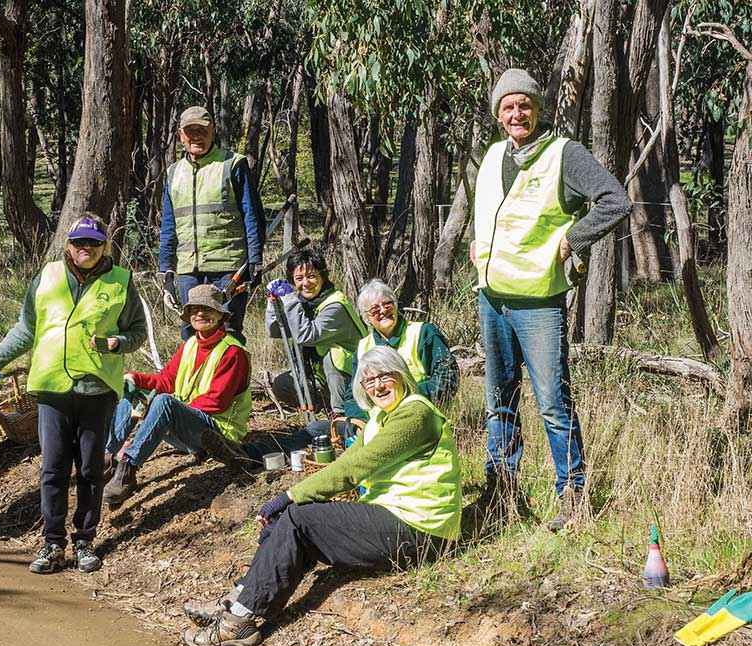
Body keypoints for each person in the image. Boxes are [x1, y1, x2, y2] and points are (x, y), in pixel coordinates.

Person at [180, 347, 462, 646]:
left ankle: (238, 620)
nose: (378, 386)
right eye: (369, 381)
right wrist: (291, 498)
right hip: (397, 519)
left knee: (299, 518)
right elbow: (344, 464)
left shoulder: (415, 412)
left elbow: (356, 468)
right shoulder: (382, 416)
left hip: (422, 530)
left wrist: (290, 496)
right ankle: (238, 599)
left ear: (401, 376)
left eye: (385, 376)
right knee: (294, 519)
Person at [471, 68, 630, 530]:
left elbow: (615, 201)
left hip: (539, 301)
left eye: (524, 105)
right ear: (498, 115)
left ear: (539, 109)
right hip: (492, 297)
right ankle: (501, 491)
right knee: (498, 398)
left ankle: (572, 496)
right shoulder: (494, 154)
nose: (516, 113)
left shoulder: (565, 154)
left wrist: (573, 239)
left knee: (552, 403)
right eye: (507, 107)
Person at [0, 214, 146, 575]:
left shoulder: (121, 282)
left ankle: (84, 541)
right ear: (68, 244)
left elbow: (138, 331)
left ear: (104, 247)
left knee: (91, 470)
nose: (86, 249)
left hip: (96, 389)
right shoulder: (46, 277)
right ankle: (52, 543)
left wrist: (118, 342)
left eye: (94, 243)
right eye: (80, 243)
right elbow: (25, 329)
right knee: (52, 469)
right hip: (51, 388)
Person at [102, 284, 251, 509]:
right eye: (194, 309)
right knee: (133, 394)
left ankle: (128, 470)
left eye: (207, 308)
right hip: (186, 426)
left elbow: (217, 402)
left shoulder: (232, 351)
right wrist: (135, 379)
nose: (200, 313)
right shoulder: (190, 344)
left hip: (218, 434)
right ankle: (105, 458)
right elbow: (166, 381)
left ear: (220, 314)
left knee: (163, 402)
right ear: (189, 316)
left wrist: (163, 408)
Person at [158, 105, 265, 341]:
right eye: (190, 131)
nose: (197, 136)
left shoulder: (233, 164)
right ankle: (191, 379)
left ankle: (231, 378)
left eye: (202, 130)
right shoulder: (174, 173)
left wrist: (255, 260)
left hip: (228, 267)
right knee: (191, 333)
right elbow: (168, 225)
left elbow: (252, 215)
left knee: (228, 332)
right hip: (188, 270)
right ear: (180, 136)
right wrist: (165, 269)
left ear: (213, 131)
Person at [265, 243, 365, 426]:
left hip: (358, 379)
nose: (305, 283)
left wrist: (289, 299)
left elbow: (305, 335)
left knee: (333, 356)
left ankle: (341, 415)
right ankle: (324, 407)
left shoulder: (335, 306)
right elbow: (275, 331)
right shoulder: (303, 303)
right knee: (282, 383)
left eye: (311, 276)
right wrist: (273, 304)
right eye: (299, 278)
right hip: (323, 378)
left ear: (323, 276)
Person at [344, 279, 459, 426]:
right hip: (378, 424)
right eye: (375, 310)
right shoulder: (362, 348)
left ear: (396, 306)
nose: (383, 311)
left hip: (422, 417)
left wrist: (406, 399)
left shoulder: (423, 333)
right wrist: (360, 422)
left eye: (387, 304)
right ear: (367, 318)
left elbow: (447, 377)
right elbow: (352, 396)